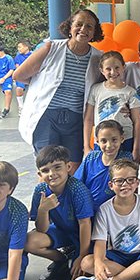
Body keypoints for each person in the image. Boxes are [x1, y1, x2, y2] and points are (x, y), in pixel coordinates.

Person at [14, 9, 104, 166]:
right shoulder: (51, 48)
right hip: (46, 117)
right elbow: (18, 75)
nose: (83, 29)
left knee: (73, 165)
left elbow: (103, 90)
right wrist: (41, 85)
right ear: (70, 27)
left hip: (76, 119)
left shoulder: (98, 58)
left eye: (89, 27)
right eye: (79, 24)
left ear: (94, 32)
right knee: (49, 167)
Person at [70, 159, 140, 280]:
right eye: (119, 181)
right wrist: (98, 262)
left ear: (137, 183)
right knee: (87, 262)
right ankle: (138, 276)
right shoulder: (104, 210)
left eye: (130, 180)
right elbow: (100, 242)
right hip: (119, 255)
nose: (125, 184)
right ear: (111, 185)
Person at [25, 145, 94, 280]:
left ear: (68, 167)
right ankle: (61, 260)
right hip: (62, 231)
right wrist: (43, 210)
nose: (52, 173)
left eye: (57, 167)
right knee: (29, 241)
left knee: (81, 271)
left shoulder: (78, 190)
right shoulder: (40, 190)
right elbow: (42, 229)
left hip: (85, 235)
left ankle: (76, 252)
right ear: (39, 174)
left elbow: (85, 224)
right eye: (45, 170)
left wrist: (82, 255)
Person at [84, 51, 140, 162]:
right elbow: (88, 119)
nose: (113, 72)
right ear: (101, 70)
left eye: (117, 68)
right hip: (102, 141)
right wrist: (86, 146)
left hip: (125, 139)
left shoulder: (130, 92)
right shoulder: (96, 89)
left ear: (123, 67)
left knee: (124, 170)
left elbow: (137, 122)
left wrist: (136, 149)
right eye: (108, 69)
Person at [73, 120, 134, 214]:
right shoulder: (91, 158)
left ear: (122, 139)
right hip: (86, 211)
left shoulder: (126, 158)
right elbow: (76, 184)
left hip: (112, 213)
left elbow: (130, 189)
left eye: (114, 140)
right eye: (104, 141)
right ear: (97, 141)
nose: (109, 145)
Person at [14, 40, 32, 114]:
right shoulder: (18, 56)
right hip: (22, 75)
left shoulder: (33, 55)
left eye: (20, 47)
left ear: (26, 47)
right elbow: (17, 66)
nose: (18, 49)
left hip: (32, 75)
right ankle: (21, 106)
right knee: (19, 88)